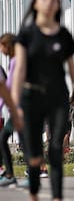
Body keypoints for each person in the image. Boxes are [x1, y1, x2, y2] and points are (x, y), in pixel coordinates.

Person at [11, 0, 74, 201]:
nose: (50, 1)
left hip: (57, 97)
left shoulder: (63, 35)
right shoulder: (26, 34)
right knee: (34, 155)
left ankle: (57, 196)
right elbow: (20, 71)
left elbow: (73, 71)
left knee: (55, 149)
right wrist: (15, 105)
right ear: (36, 3)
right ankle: (34, 192)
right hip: (31, 97)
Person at [0, 33, 27, 187]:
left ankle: (13, 175)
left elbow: (9, 86)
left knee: (7, 139)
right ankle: (10, 174)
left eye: (1, 46)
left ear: (7, 45)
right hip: (17, 108)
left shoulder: (17, 61)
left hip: (21, 108)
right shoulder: (14, 60)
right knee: (17, 140)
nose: (1, 50)